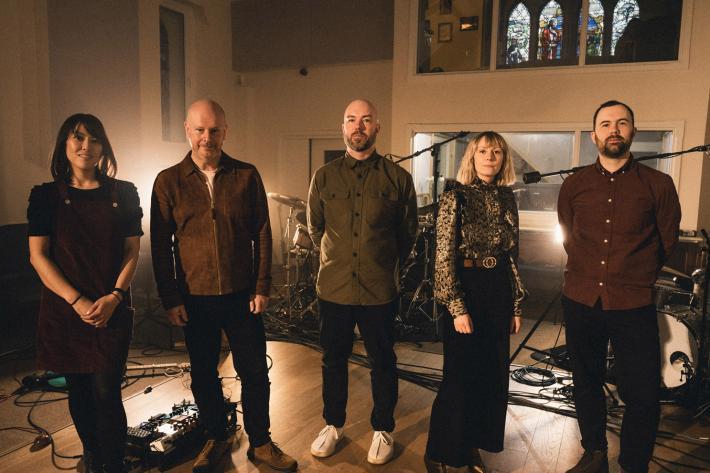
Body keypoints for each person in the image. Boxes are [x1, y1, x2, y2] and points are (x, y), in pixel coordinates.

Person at [150, 99, 297, 473]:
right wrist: (170, 297)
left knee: (254, 373)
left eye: (214, 130)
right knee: (203, 373)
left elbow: (263, 234)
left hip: (242, 295)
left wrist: (262, 286)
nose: (207, 137)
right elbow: (160, 246)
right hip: (193, 299)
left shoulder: (246, 175)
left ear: (225, 132)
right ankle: (215, 436)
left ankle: (261, 442)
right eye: (199, 130)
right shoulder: (168, 181)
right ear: (187, 130)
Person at [558, 100, 681, 473]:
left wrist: (634, 274)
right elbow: (568, 235)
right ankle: (594, 453)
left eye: (622, 122)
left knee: (641, 392)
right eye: (606, 123)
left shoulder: (658, 185)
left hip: (633, 301)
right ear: (594, 134)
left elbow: (667, 241)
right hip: (581, 299)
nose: (614, 129)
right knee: (585, 381)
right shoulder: (574, 185)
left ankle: (633, 463)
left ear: (633, 131)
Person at [28, 114, 142, 473]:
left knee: (107, 390)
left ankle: (115, 462)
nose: (86, 146)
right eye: (78, 138)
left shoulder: (123, 192)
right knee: (78, 389)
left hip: (111, 304)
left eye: (94, 139)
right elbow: (38, 256)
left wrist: (114, 296)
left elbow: (131, 252)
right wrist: (77, 301)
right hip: (65, 310)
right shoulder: (45, 196)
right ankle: (93, 455)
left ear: (103, 147)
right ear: (65, 144)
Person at [307, 99, 418, 465]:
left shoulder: (398, 179)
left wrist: (383, 264)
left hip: (378, 291)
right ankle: (333, 425)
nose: (358, 126)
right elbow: (315, 228)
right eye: (351, 120)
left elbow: (408, 236)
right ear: (343, 128)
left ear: (376, 128)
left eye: (366, 120)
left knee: (383, 361)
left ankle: (383, 428)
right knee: (332, 360)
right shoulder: (323, 177)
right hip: (334, 289)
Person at [424, 132, 525, 473]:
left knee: (491, 376)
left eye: (497, 152)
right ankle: (439, 451)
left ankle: (469, 446)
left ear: (503, 159)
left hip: (497, 288)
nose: (490, 157)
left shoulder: (508, 197)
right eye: (483, 151)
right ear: (472, 156)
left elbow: (512, 254)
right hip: (467, 287)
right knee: (459, 377)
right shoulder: (457, 196)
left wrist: (515, 303)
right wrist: (456, 306)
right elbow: (442, 256)